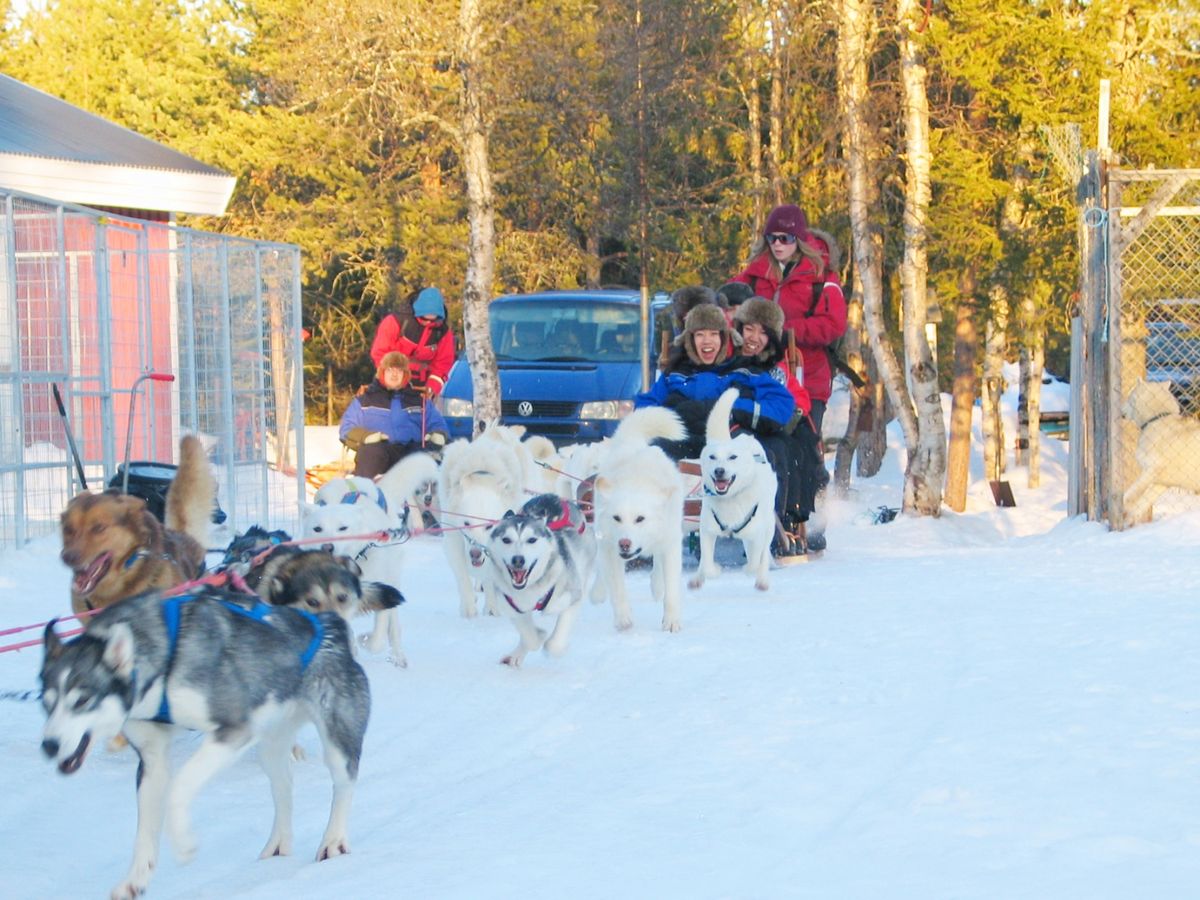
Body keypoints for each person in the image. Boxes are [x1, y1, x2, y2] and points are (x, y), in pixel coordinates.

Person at [636, 297, 795, 498]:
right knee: (649, 452)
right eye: (700, 335)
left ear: (724, 338)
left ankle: (771, 523)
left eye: (714, 334)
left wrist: (731, 410)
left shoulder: (744, 370)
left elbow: (781, 405)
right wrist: (674, 416)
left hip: (728, 442)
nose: (707, 341)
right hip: (683, 440)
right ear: (690, 340)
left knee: (768, 453)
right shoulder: (675, 375)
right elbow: (645, 408)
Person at [729, 203, 846, 433]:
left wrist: (783, 331)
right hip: (759, 376)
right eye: (772, 238)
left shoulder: (821, 276)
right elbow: (727, 301)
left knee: (803, 446)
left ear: (799, 239)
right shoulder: (754, 274)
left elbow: (833, 324)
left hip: (807, 377)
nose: (778, 245)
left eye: (785, 238)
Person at [732, 296, 826, 555]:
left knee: (794, 448)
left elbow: (799, 397)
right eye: (749, 329)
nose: (753, 337)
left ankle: (784, 518)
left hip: (773, 426)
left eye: (763, 332)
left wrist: (792, 411)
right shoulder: (728, 358)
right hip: (739, 427)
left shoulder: (777, 366)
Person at [340, 351, 449, 479]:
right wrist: (366, 437)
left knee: (430, 456)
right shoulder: (365, 400)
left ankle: (430, 496)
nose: (394, 374)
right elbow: (346, 428)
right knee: (369, 452)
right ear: (382, 372)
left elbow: (438, 424)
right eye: (390, 369)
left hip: (412, 451)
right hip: (380, 451)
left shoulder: (420, 401)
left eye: (399, 370)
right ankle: (362, 493)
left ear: (405, 375)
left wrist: (439, 435)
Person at [369, 286, 455, 397]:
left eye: (433, 320)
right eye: (424, 319)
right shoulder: (395, 322)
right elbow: (379, 353)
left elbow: (443, 364)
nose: (428, 322)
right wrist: (394, 380)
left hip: (422, 387)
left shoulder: (442, 333)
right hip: (391, 383)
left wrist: (432, 387)